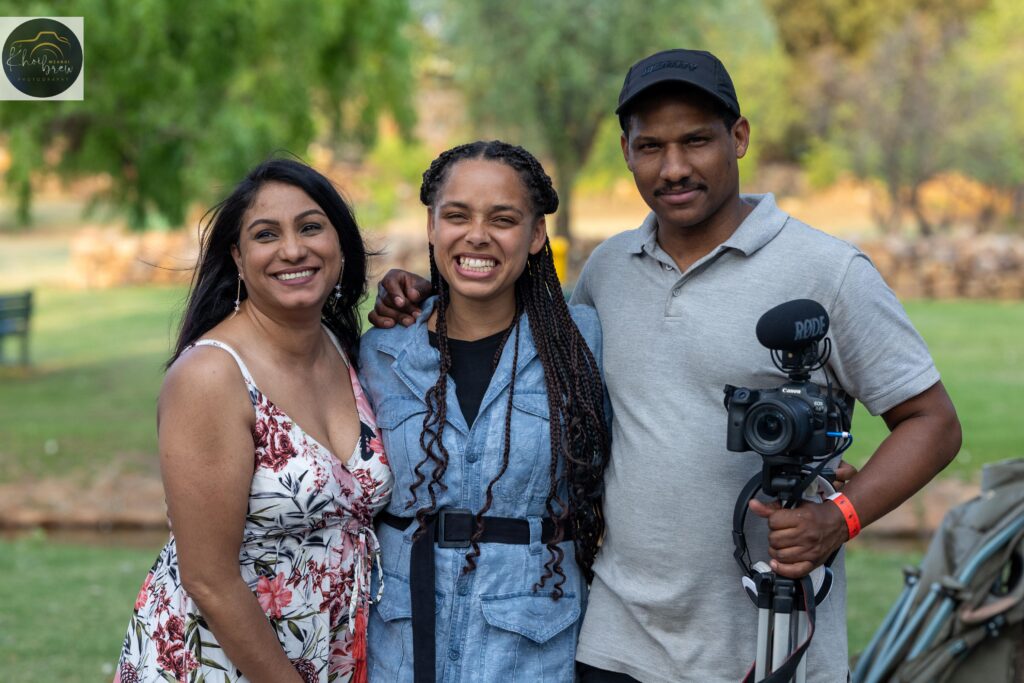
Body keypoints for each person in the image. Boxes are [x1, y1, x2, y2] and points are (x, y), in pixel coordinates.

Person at [369, 49, 962, 682]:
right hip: (615, 640)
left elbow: (933, 422)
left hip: (764, 640)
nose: (673, 167)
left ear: (739, 138)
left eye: (696, 141)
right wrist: (423, 293)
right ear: (626, 153)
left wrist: (838, 518)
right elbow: (516, 342)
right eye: (650, 146)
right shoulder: (609, 272)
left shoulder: (827, 271)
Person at [115, 159, 393, 683]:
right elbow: (210, 580)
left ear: (340, 244)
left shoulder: (343, 349)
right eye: (267, 235)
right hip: (222, 661)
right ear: (239, 259)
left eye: (311, 227)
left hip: (326, 651)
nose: (293, 249)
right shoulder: (211, 375)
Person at [358, 140, 609, 682]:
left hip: (532, 648)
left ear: (536, 234)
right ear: (430, 226)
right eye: (456, 215)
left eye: (503, 219)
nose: (477, 235)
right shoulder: (380, 352)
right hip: (400, 644)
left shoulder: (584, 344)